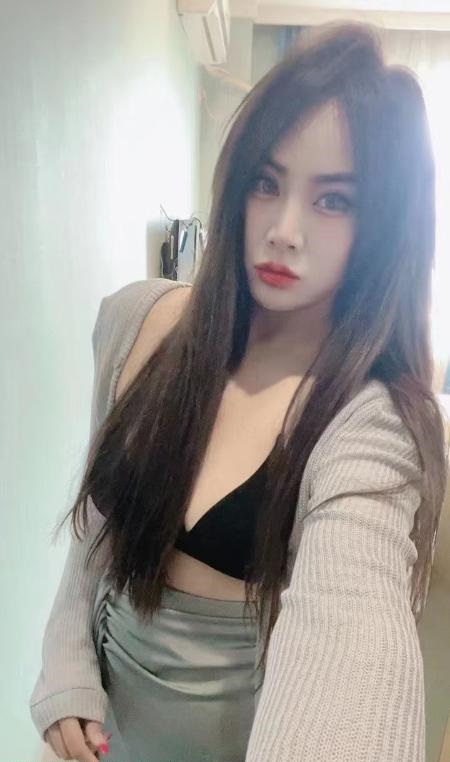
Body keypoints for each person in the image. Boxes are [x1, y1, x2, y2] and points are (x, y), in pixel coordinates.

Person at [30, 21, 448, 762]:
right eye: (267, 182)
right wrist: (64, 665)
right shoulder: (138, 322)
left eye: (334, 201)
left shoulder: (370, 424)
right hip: (98, 739)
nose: (284, 230)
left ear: (384, 227)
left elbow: (352, 625)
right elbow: (101, 515)